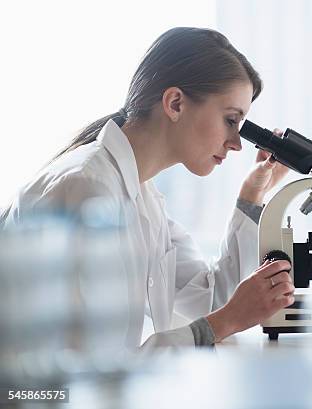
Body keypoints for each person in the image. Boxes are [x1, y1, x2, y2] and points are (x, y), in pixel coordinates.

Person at [1, 27, 295, 350]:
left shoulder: (144, 196)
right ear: (175, 103)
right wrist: (225, 322)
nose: (237, 143)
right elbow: (98, 372)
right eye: (230, 120)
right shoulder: (88, 189)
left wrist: (252, 196)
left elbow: (211, 299)